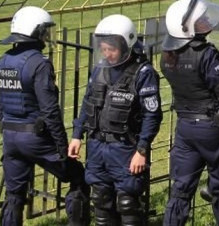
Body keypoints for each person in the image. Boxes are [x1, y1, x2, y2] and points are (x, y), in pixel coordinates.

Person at [0, 6, 89, 226]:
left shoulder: (3, 62)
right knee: (78, 177)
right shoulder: (39, 63)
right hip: (35, 138)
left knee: (14, 195)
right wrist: (62, 146)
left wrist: (6, 129)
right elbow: (50, 110)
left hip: (10, 137)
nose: (46, 35)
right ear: (34, 31)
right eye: (44, 30)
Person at [68, 14, 162, 226]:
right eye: (104, 49)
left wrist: (142, 150)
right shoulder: (100, 69)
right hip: (97, 148)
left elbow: (152, 115)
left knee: (127, 204)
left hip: (125, 149)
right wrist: (76, 136)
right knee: (101, 202)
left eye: (112, 49)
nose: (107, 54)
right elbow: (87, 103)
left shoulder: (143, 72)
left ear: (126, 44)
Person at [160, 0, 219, 226]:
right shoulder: (205, 53)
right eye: (201, 19)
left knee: (180, 191)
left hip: (185, 128)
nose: (207, 20)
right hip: (212, 129)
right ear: (187, 27)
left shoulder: (167, 56)